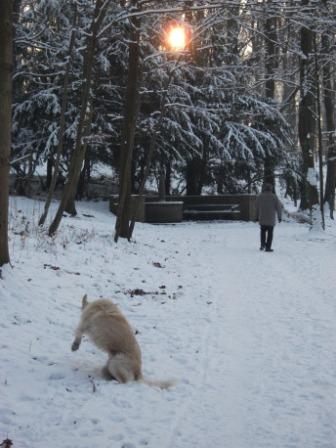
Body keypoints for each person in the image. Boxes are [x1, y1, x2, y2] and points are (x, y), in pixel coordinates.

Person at [255, 183, 282, 252]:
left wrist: (256, 216)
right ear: (271, 189)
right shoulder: (274, 197)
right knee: (270, 233)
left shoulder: (260, 196)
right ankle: (268, 247)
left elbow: (257, 207)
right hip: (271, 219)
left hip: (262, 218)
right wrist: (279, 217)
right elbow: (279, 208)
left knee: (262, 232)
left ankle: (262, 245)